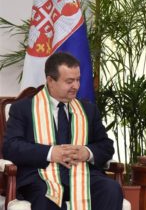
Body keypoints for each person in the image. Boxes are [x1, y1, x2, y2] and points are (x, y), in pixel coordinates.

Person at [3, 52, 124, 210]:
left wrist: (87, 152)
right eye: (69, 81)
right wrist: (50, 153)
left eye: (78, 80)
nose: (76, 86)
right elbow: (11, 147)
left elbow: (106, 146)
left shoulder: (88, 110)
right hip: (41, 176)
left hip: (82, 174)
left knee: (110, 189)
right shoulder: (24, 108)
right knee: (44, 197)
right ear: (50, 81)